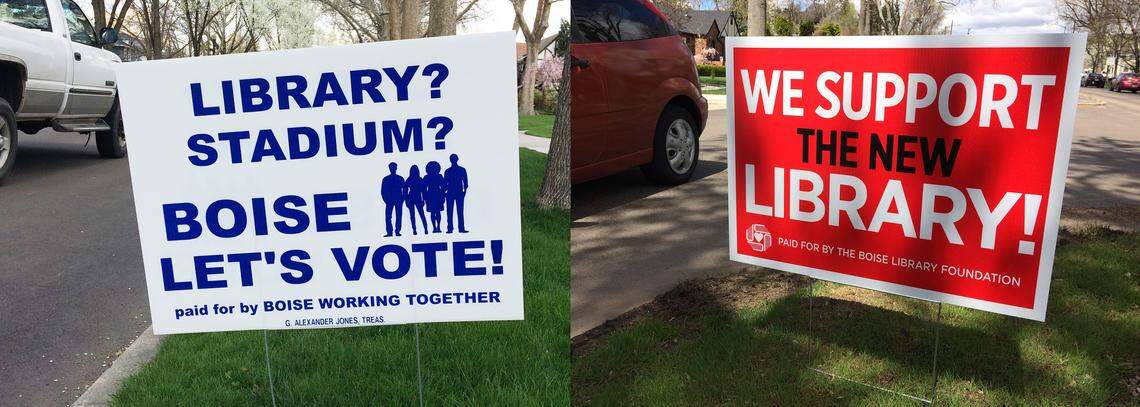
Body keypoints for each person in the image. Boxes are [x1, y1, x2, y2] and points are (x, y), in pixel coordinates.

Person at [443, 153, 469, 233]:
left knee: (458, 211)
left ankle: (459, 228)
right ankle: (451, 228)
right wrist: (445, 193)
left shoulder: (461, 170)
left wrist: (464, 193)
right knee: (451, 212)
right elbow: (445, 183)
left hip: (458, 193)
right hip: (451, 193)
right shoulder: (448, 171)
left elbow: (465, 183)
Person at [380, 162, 405, 237]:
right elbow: (383, 191)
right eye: (391, 167)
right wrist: (386, 200)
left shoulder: (400, 178)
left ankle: (397, 231)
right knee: (388, 217)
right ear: (389, 168)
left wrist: (403, 198)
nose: (392, 169)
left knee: (398, 216)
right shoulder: (386, 179)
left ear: (396, 168)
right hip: (389, 200)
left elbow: (404, 189)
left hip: (398, 199)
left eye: (394, 167)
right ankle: (389, 232)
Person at [403, 165, 428, 235]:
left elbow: (424, 190)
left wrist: (424, 200)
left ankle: (424, 229)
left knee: (419, 214)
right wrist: (406, 200)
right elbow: (405, 191)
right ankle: (416, 229)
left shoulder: (416, 179)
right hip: (414, 198)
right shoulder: (415, 179)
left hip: (416, 198)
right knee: (415, 215)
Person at [423, 161, 446, 233]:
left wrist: (443, 195)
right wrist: (425, 197)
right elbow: (423, 188)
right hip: (432, 195)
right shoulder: (427, 177)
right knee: (434, 212)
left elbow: (443, 186)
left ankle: (437, 227)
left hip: (435, 195)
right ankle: (435, 227)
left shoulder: (439, 176)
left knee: (436, 212)